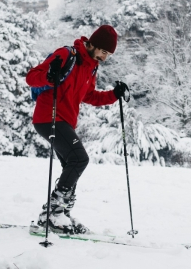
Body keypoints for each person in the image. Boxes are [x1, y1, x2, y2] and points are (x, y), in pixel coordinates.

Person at [26, 25, 127, 234]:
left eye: (108, 54)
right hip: (49, 117)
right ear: (94, 44)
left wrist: (113, 95)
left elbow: (89, 96)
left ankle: (60, 213)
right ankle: (52, 214)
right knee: (80, 159)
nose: (105, 57)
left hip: (65, 122)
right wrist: (49, 75)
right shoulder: (66, 55)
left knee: (71, 165)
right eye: (104, 52)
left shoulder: (91, 67)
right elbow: (31, 77)